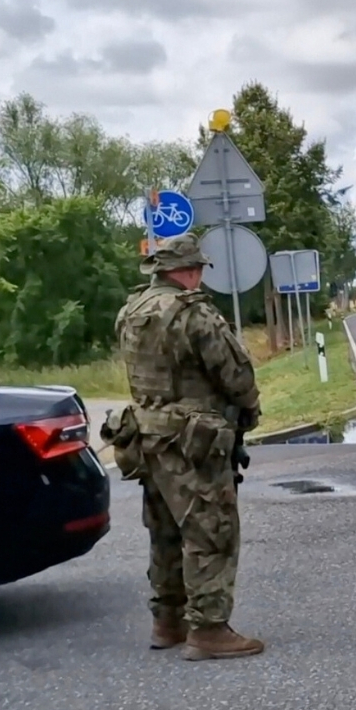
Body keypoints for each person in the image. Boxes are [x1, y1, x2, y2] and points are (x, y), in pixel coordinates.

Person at [110, 233, 266, 660]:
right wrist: (249, 412)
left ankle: (168, 621)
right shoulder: (194, 313)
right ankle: (209, 628)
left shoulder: (131, 311)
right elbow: (235, 375)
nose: (199, 277)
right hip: (191, 442)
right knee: (211, 530)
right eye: (197, 269)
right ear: (190, 270)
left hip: (146, 437)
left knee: (164, 532)